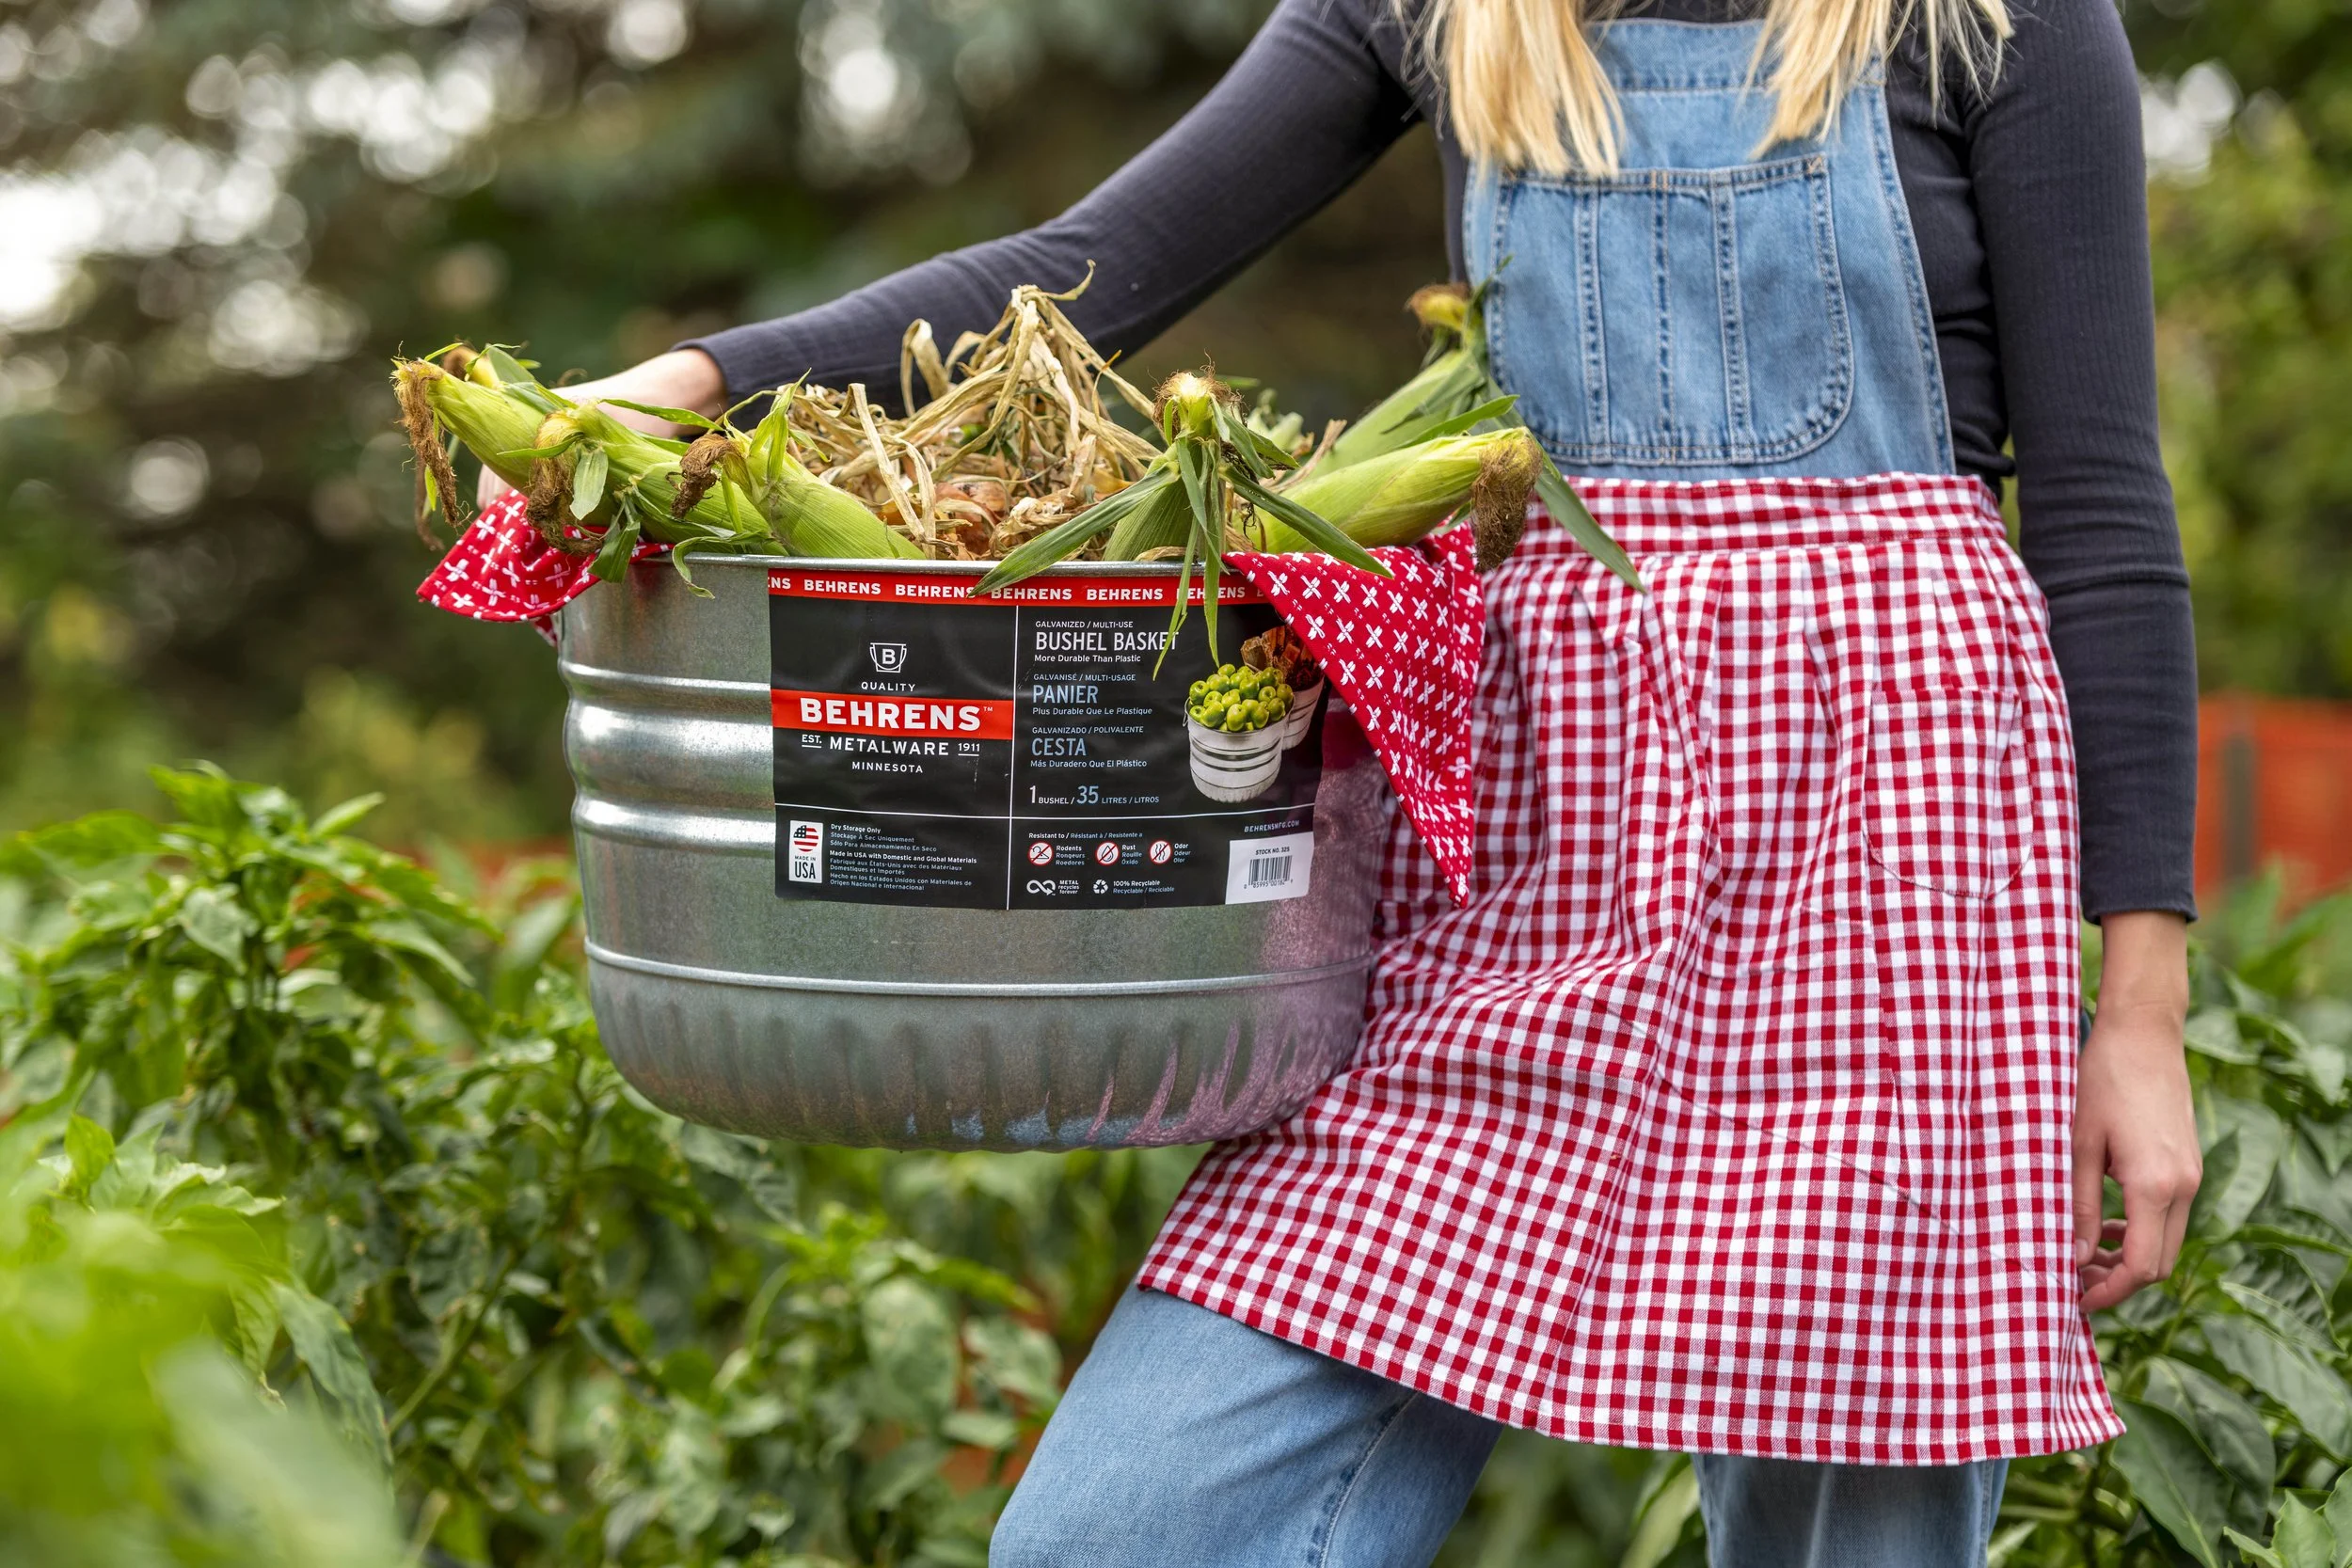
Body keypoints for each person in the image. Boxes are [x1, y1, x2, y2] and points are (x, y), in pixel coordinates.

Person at [493, 0, 2204, 1560]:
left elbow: (2107, 519)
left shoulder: (1994, 23)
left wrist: (2136, 1007)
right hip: (1524, 850)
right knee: (1117, 1535)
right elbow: (1092, 268)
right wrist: (698, 383)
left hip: (1885, 876)